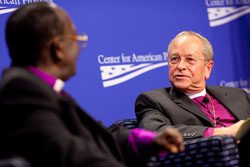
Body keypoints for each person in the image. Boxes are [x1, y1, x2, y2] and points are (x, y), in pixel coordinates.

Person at [0, 2, 184, 167]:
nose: (79, 48)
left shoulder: (41, 88)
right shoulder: (22, 91)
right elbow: (71, 155)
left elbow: (96, 135)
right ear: (58, 49)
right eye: (76, 39)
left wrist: (150, 140)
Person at [135, 31, 250, 166]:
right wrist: (223, 133)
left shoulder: (238, 95)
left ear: (208, 68)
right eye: (174, 59)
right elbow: (154, 132)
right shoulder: (153, 100)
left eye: (190, 59)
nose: (180, 66)